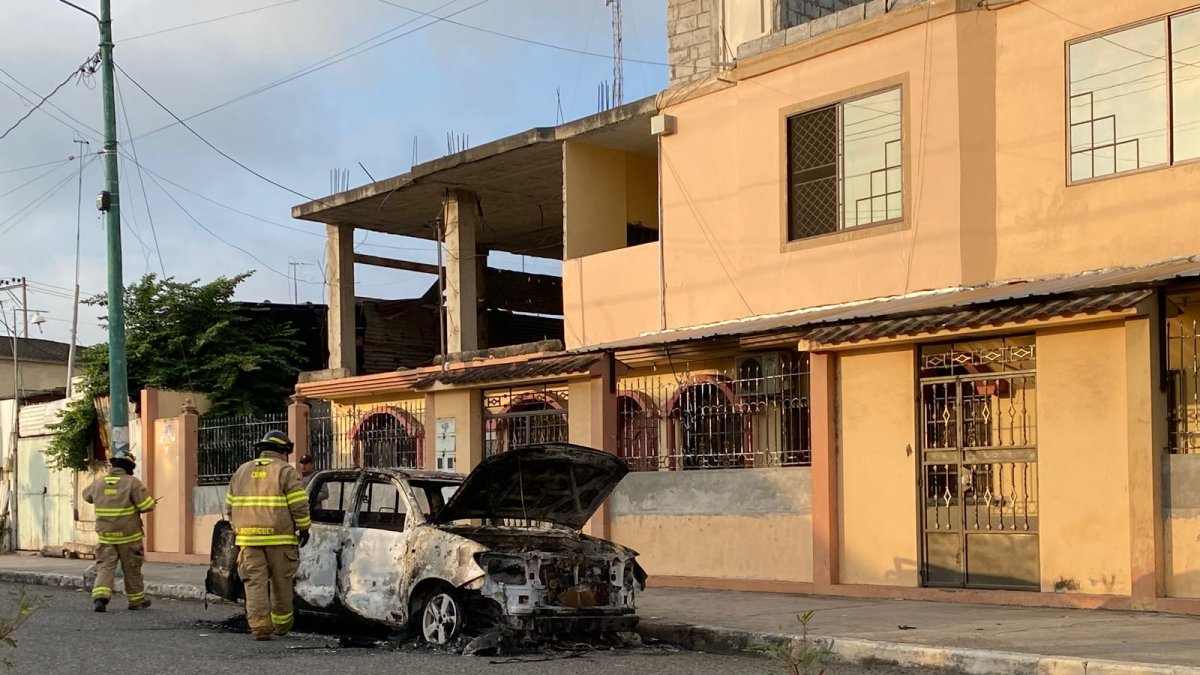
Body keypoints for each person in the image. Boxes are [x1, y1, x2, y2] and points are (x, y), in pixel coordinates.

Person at [226, 431, 311, 641]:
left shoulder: (242, 471)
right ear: (283, 451)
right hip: (279, 539)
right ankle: (281, 626)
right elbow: (299, 504)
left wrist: (239, 529)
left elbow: (230, 507)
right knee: (281, 582)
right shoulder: (285, 471)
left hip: (247, 540)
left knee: (254, 583)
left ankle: (260, 626)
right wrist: (304, 528)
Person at [82, 454, 155, 613]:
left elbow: (86, 496)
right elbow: (147, 506)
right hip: (129, 536)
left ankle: (100, 597)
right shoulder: (132, 483)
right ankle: (136, 601)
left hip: (106, 535)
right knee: (132, 568)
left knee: (105, 566)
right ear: (129, 468)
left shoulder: (98, 483)